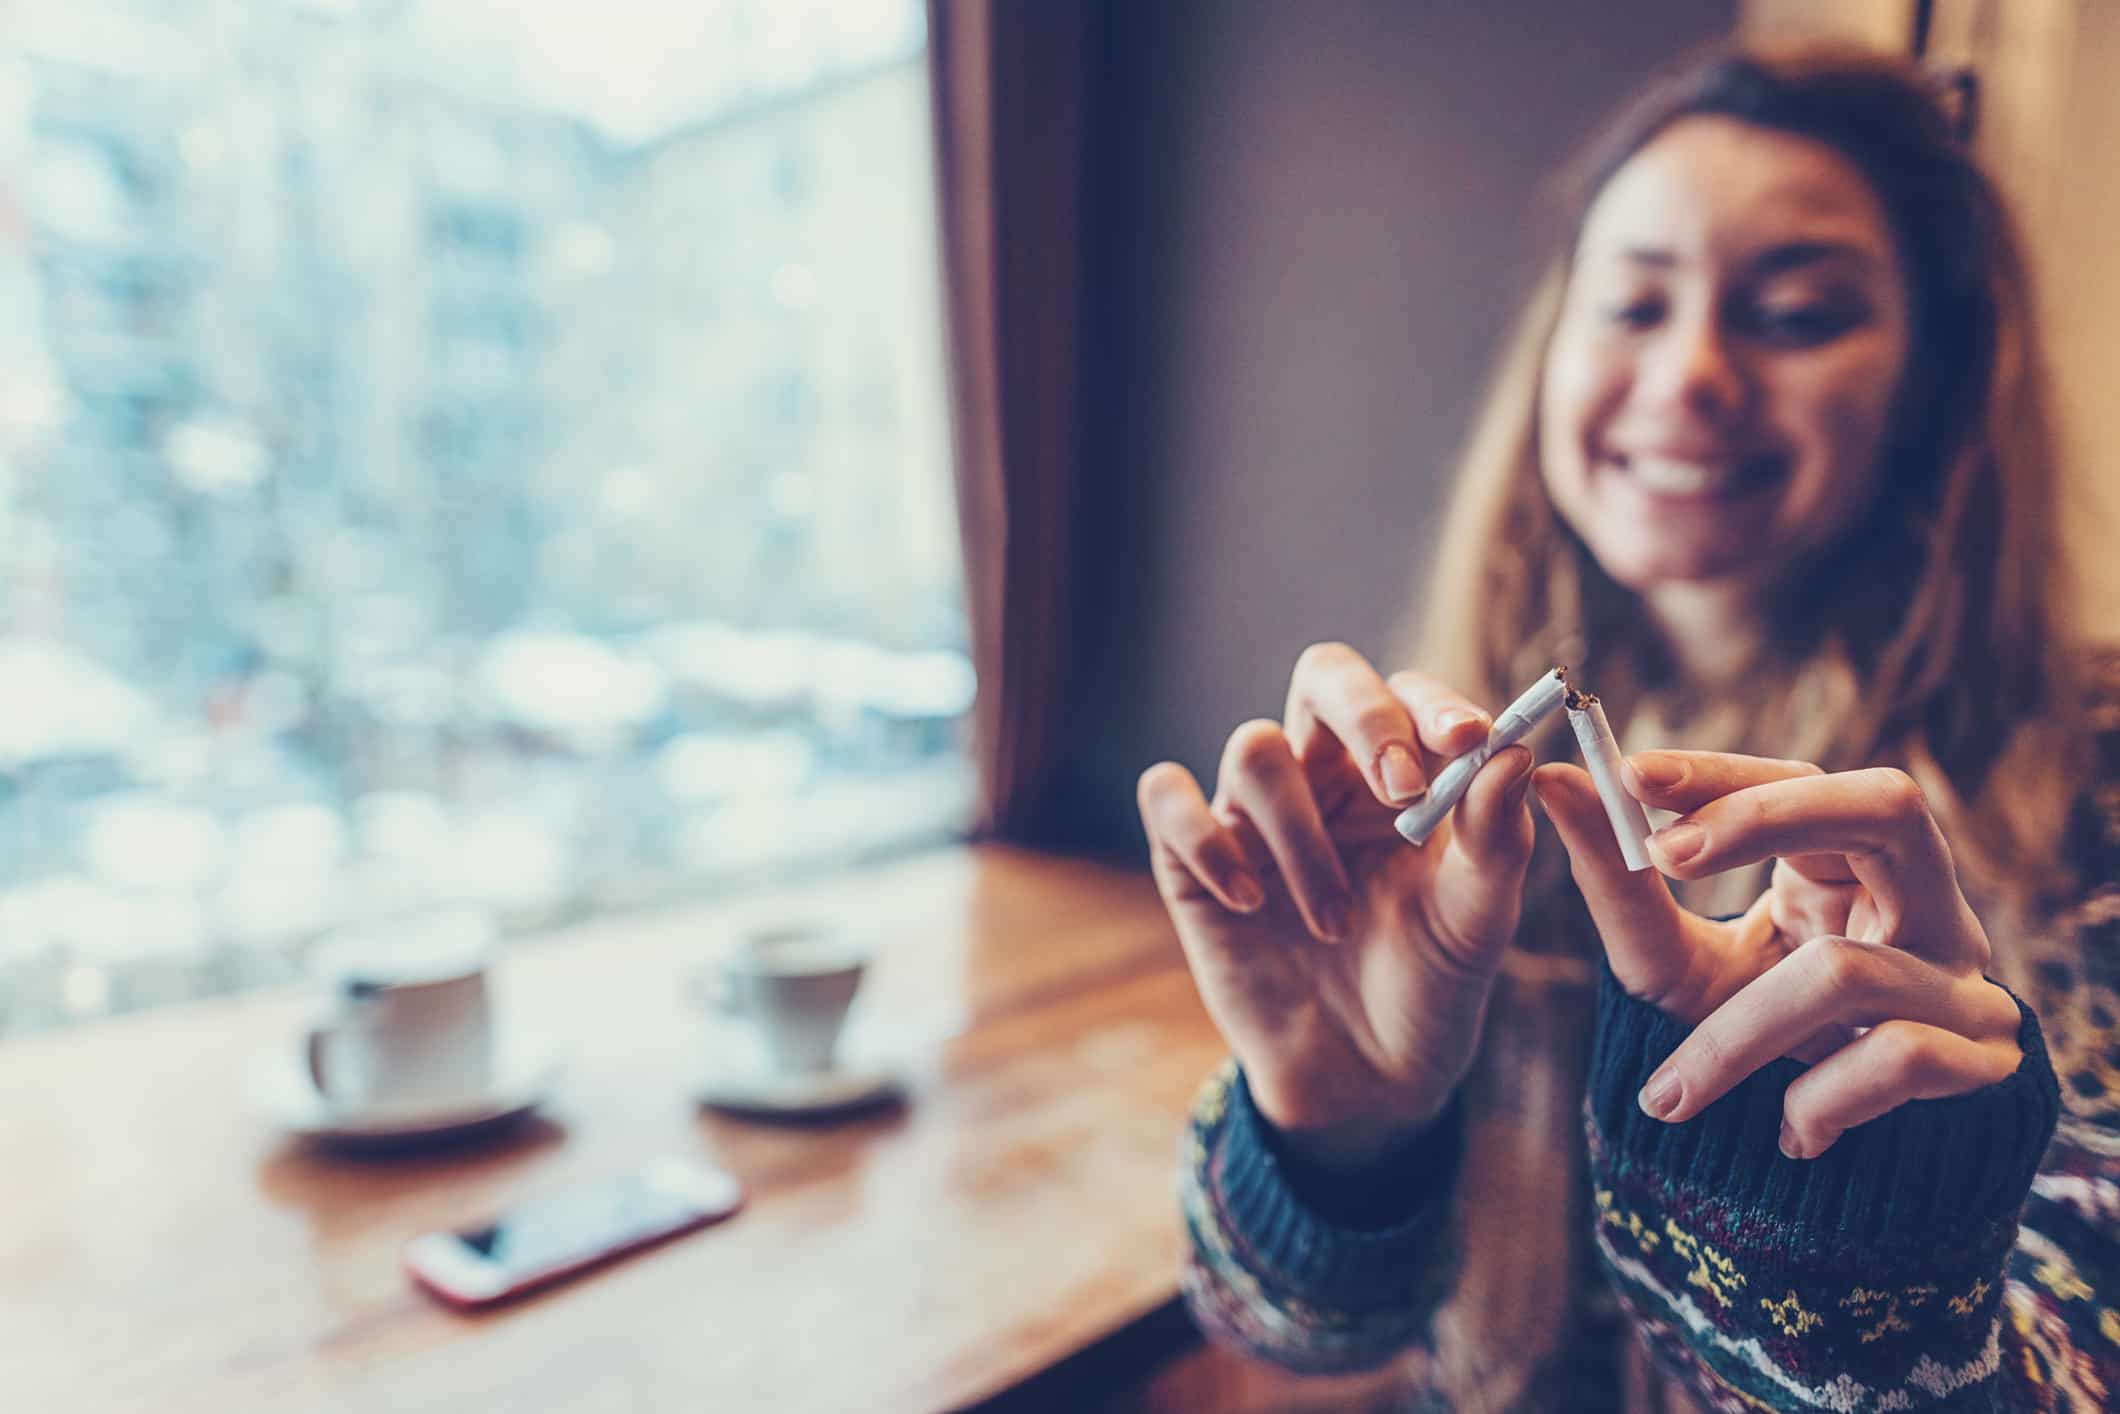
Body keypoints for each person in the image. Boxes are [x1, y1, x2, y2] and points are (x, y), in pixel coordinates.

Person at [1136, 45, 2120, 1411]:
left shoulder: (2095, 776)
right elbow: (1298, 1332)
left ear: (1934, 380)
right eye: (1634, 302)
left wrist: (1875, 1283)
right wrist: (1339, 1131)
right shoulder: (1450, 785)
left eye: (1794, 313)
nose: (1693, 374)